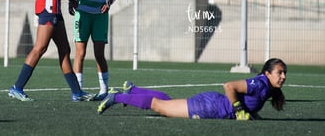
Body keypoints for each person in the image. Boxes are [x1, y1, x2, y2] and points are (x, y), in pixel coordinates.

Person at [97, 58, 287, 120]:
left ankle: (133, 90)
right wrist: (238, 109)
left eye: (284, 73)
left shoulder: (267, 86)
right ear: (267, 73)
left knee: (167, 103)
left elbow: (249, 104)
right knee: (160, 106)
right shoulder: (261, 83)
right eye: (279, 72)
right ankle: (118, 97)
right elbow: (229, 86)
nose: (283, 76)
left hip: (212, 104)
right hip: (210, 107)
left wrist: (249, 113)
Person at [69, 0, 116, 101]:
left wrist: (108, 3)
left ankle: (104, 90)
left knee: (99, 54)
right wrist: (71, 3)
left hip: (100, 16)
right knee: (79, 53)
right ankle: (78, 91)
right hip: (82, 14)